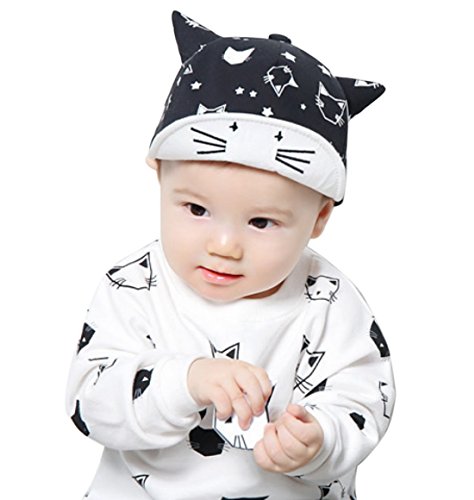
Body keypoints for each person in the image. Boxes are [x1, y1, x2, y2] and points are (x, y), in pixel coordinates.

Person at [66, 10, 395, 500]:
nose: (224, 246)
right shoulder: (134, 287)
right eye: (197, 209)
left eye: (261, 222)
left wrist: (320, 440)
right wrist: (185, 381)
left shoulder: (328, 301)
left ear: (319, 217)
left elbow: (363, 396)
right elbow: (90, 401)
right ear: (160, 177)